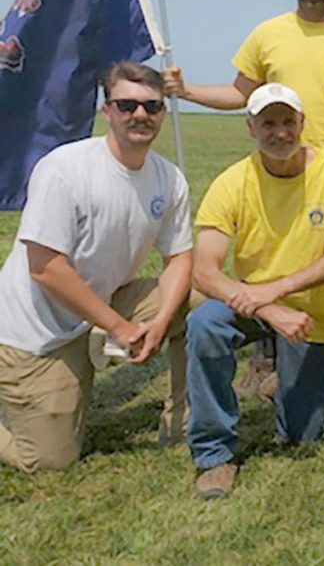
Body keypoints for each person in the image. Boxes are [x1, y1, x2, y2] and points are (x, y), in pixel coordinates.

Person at [163, 0, 324, 401]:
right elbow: (239, 93)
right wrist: (185, 92)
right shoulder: (267, 35)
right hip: (277, 171)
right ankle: (263, 357)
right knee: (268, 261)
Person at [0, 62, 193, 472]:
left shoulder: (169, 179)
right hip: (35, 332)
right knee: (50, 462)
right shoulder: (64, 169)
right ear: (107, 111)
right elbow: (46, 268)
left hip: (98, 308)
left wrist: (159, 322)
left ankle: (181, 420)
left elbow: (180, 258)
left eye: (152, 107)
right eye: (126, 105)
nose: (140, 115)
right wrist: (119, 328)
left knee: (198, 300)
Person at [186, 83, 324, 499]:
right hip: (252, 304)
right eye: (268, 123)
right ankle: (214, 453)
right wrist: (268, 307)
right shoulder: (232, 182)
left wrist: (276, 291)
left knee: (303, 436)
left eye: (287, 122)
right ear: (250, 127)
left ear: (303, 124)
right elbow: (204, 272)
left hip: (313, 311)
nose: (279, 132)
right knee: (204, 324)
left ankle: (281, 384)